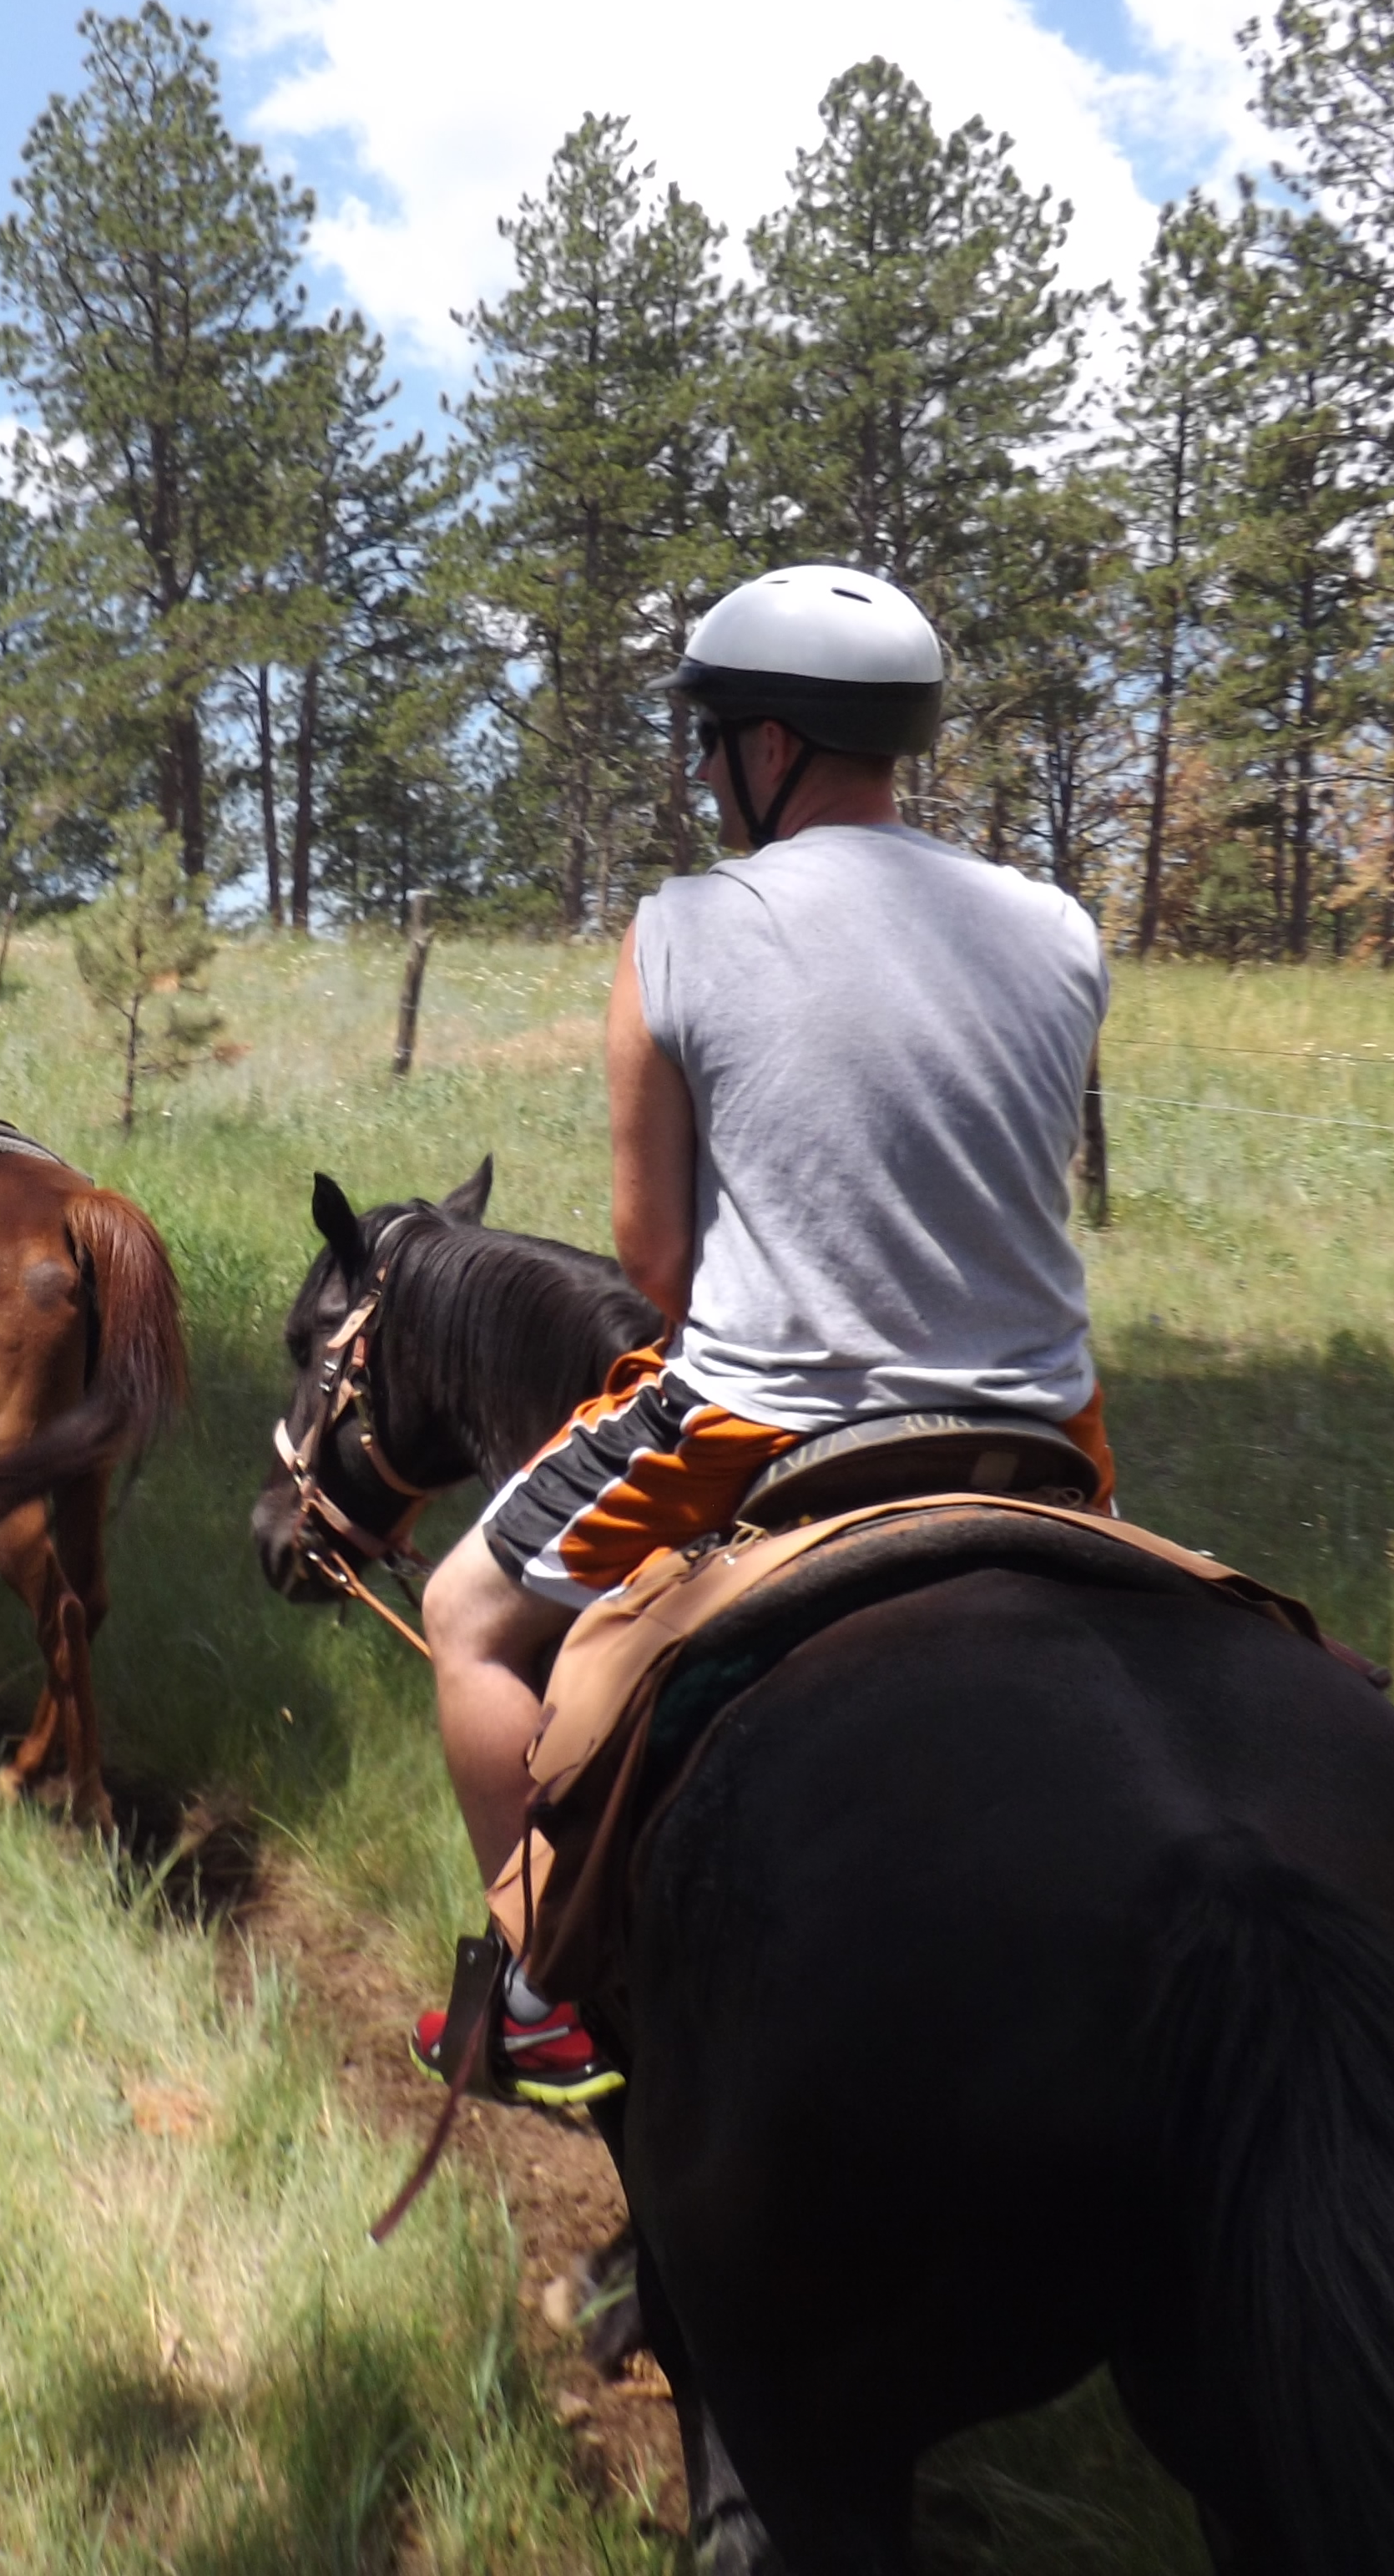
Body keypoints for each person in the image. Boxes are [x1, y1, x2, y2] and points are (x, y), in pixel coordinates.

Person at [412, 564, 1114, 2108]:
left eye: (712, 740)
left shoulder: (678, 928)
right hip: (1042, 1431)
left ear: (773, 746)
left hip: (761, 1420)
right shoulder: (1061, 929)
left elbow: (655, 1262)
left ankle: (539, 1992)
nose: (704, 774)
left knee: (464, 1614)